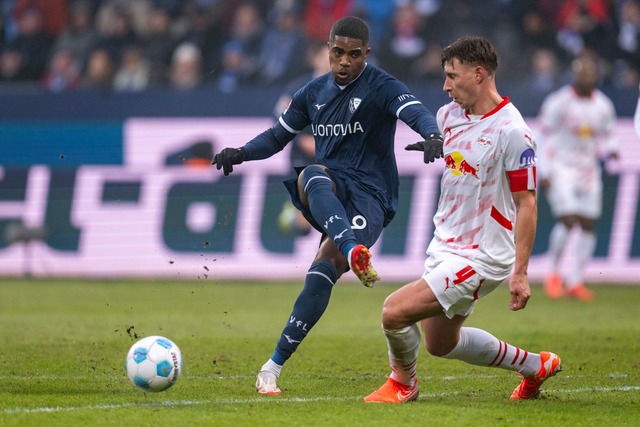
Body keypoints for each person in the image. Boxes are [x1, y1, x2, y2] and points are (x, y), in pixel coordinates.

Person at [212, 16, 443, 396]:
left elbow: (413, 110)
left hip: (371, 196)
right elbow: (276, 137)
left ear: (366, 54)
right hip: (332, 188)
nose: (345, 61)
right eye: (338, 52)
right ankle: (271, 369)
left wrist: (432, 134)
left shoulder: (382, 86)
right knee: (312, 174)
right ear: (328, 50)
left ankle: (348, 250)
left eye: (354, 54)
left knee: (322, 269)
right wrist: (241, 153)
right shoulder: (312, 92)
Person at [364, 36, 562, 404]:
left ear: (479, 73)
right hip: (445, 245)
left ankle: (403, 383)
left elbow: (527, 204)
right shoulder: (446, 117)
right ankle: (536, 366)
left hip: (482, 256)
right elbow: (461, 165)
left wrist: (520, 272)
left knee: (394, 312)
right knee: (441, 343)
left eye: (452, 76)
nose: (446, 86)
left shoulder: (514, 133)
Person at [538, 51, 618, 302]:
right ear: (574, 75)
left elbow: (609, 133)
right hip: (561, 169)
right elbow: (543, 136)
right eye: (583, 73)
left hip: (589, 171)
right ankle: (553, 275)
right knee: (568, 219)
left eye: (592, 73)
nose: (588, 77)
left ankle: (575, 281)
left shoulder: (603, 105)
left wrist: (613, 149)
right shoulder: (558, 102)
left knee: (588, 224)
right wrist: (545, 170)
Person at [274, 41, 330, 237]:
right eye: (325, 57)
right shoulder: (298, 87)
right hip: (303, 156)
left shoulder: (347, 88)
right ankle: (293, 212)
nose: (329, 62)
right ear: (314, 59)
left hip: (334, 156)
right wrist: (299, 137)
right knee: (304, 227)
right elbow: (280, 115)